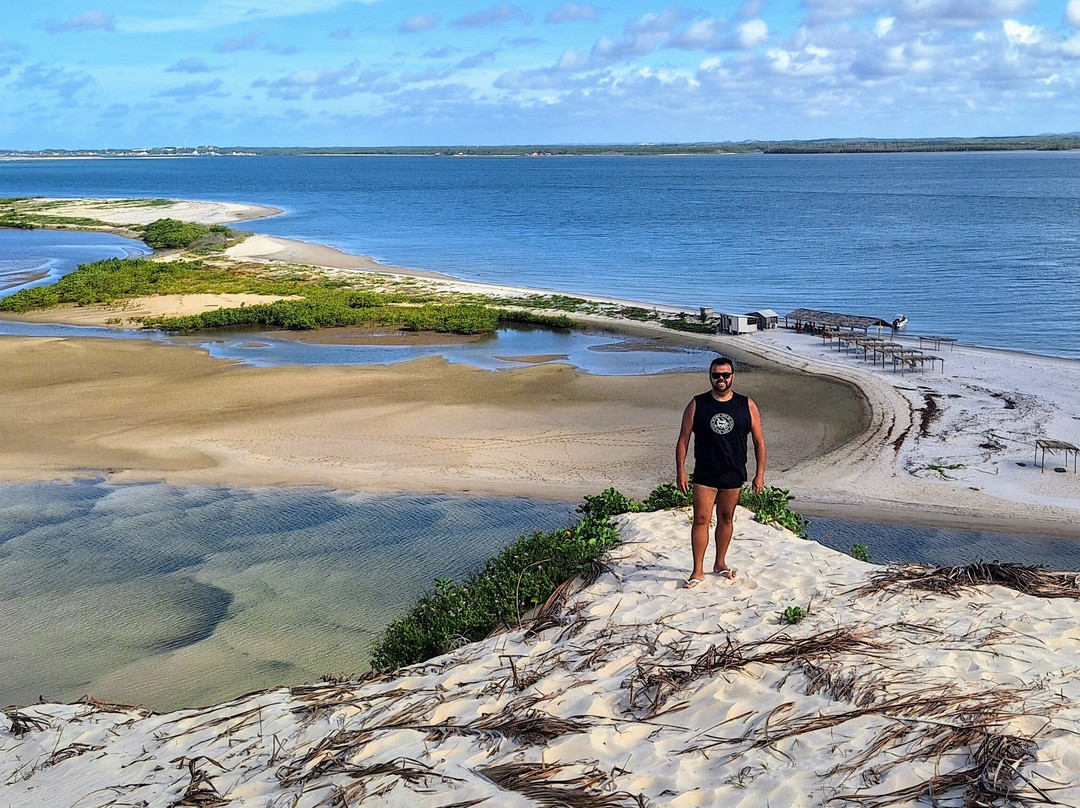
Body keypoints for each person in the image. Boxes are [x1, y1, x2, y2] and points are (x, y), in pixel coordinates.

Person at [675, 356, 766, 589]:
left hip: (733, 472)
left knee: (726, 518)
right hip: (705, 472)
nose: (721, 379)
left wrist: (760, 474)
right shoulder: (698, 404)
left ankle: (720, 563)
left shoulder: (747, 405)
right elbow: (683, 440)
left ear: (733, 376)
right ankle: (697, 571)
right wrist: (681, 472)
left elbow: (759, 442)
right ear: (711, 377)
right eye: (717, 375)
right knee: (701, 520)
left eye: (726, 375)